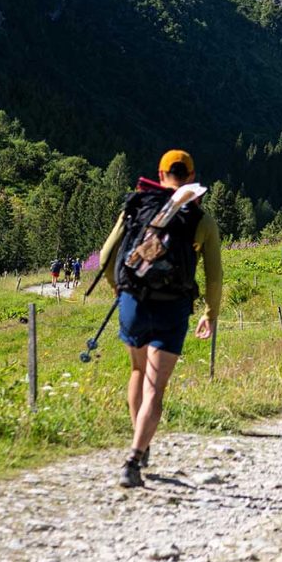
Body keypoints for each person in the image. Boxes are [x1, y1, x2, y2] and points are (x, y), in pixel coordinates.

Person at [99, 149, 221, 489]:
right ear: (192, 177)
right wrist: (211, 312)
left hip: (133, 301)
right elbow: (214, 276)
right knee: (156, 387)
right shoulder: (200, 220)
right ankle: (134, 458)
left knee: (138, 371)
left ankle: (142, 441)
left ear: (160, 172)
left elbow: (108, 255)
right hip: (173, 306)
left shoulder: (138, 205)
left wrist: (117, 287)